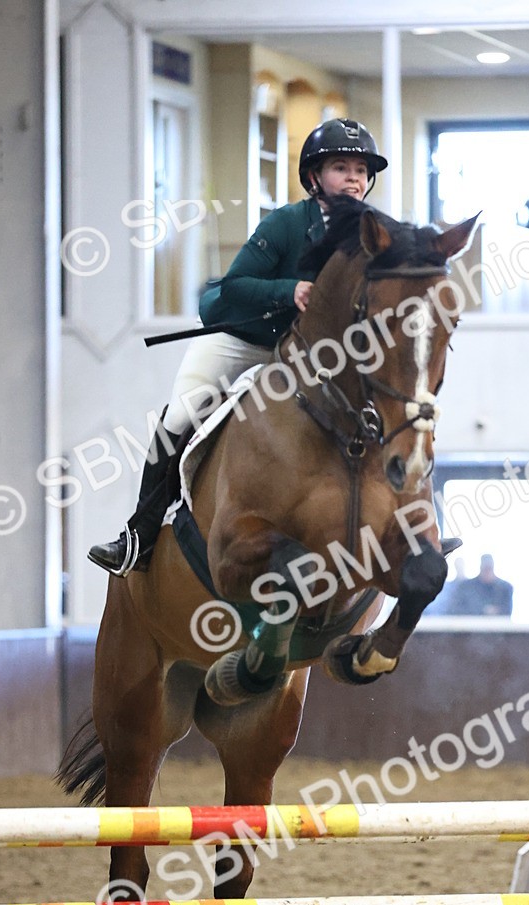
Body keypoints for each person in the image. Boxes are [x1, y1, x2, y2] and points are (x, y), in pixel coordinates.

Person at [89, 118, 388, 576]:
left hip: (311, 358)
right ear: (314, 178)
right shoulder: (288, 222)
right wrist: (289, 291)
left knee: (394, 414)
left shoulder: (375, 233)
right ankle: (139, 536)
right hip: (245, 340)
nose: (354, 178)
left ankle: (405, 532)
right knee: (180, 416)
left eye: (362, 170)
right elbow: (234, 286)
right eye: (341, 167)